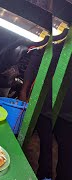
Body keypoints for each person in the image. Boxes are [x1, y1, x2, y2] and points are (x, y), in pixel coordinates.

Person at [20, 35, 72, 179]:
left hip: (65, 115)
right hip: (47, 107)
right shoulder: (59, 41)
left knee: (66, 161)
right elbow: (36, 58)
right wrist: (24, 90)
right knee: (46, 150)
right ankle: (44, 175)